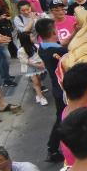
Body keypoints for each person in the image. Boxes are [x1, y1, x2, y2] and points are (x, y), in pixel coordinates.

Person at [35, 19, 66, 162]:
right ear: (54, 31)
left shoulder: (43, 47)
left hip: (56, 88)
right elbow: (65, 50)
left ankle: (53, 148)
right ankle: (52, 149)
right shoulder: (58, 51)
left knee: (61, 117)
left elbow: (63, 46)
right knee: (62, 119)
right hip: (63, 90)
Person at [17, 32, 47, 106]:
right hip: (30, 67)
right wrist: (38, 65)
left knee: (39, 80)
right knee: (36, 82)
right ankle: (41, 97)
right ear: (26, 39)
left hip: (39, 65)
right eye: (31, 37)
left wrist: (42, 63)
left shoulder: (36, 46)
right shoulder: (21, 50)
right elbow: (25, 61)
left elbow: (41, 55)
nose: (33, 38)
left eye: (33, 36)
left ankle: (38, 94)